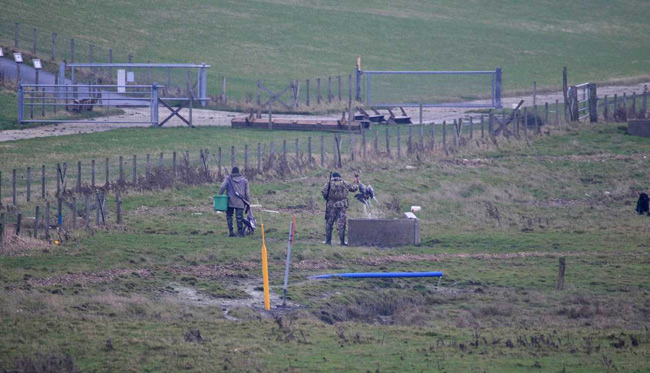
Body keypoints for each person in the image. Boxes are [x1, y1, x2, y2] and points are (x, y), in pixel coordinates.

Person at [321, 171, 358, 245]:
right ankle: (342, 242)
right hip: (342, 206)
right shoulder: (344, 183)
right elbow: (354, 189)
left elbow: (324, 193)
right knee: (341, 224)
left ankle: (328, 241)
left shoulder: (329, 183)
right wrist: (356, 182)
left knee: (329, 223)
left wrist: (328, 199)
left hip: (331, 206)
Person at [218, 167, 251, 237]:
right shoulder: (245, 181)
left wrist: (219, 195)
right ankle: (240, 232)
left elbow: (222, 187)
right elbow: (247, 193)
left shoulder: (228, 179)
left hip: (230, 201)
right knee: (239, 217)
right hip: (240, 201)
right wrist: (248, 202)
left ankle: (231, 232)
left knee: (229, 216)